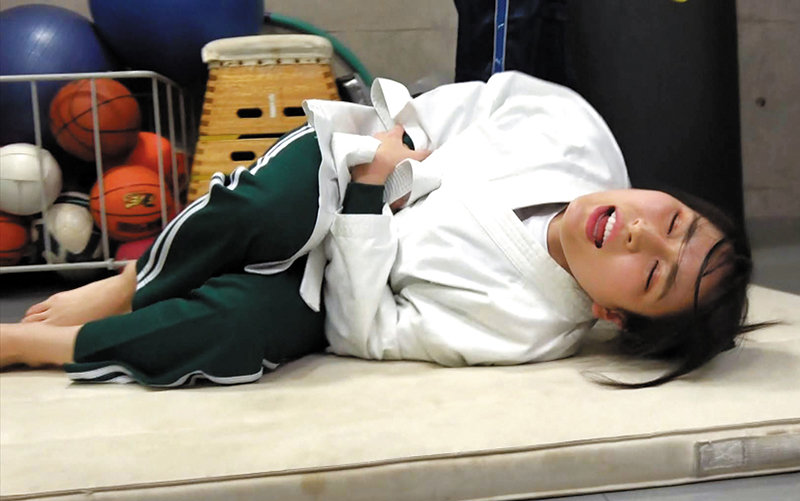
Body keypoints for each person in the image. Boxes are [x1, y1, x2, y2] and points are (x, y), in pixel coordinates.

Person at [0, 72, 756, 388]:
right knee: (266, 210)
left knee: (234, 334)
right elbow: (461, 104)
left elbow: (369, 330)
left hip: (329, 282)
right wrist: (397, 149)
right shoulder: (572, 129)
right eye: (674, 221)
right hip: (348, 165)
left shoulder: (524, 328)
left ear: (609, 313)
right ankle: (135, 282)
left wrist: (364, 213)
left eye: (653, 273)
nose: (643, 234)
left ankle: (44, 346)